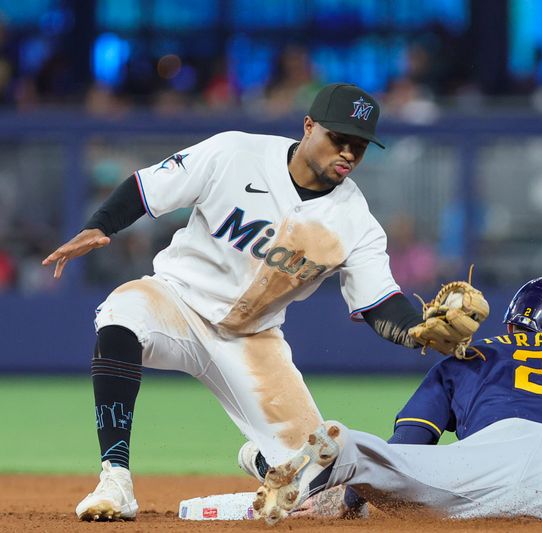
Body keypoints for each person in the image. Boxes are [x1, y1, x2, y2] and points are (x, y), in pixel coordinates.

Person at [42, 83, 487, 521]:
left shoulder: (356, 222)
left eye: (360, 145)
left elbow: (379, 302)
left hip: (253, 342)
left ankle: (262, 460)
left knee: (325, 492)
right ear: (308, 126)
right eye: (339, 138)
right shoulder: (235, 153)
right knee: (121, 314)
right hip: (177, 300)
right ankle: (115, 479)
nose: (349, 153)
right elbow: (147, 187)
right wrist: (100, 224)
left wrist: (414, 331)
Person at [249, 277, 542, 530]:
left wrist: (353, 495)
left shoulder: (469, 355)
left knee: (395, 467)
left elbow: (412, 439)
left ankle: (349, 452)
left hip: (488, 453)